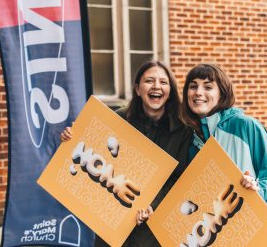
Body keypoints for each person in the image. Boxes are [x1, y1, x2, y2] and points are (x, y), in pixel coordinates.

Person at [60, 60, 192, 247]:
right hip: (112, 217)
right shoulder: (118, 119)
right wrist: (71, 138)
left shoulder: (182, 130)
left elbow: (177, 179)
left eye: (163, 82)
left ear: (170, 91)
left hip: (152, 221)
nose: (156, 86)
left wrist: (150, 205)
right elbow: (90, 152)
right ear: (138, 89)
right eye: (149, 81)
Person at [182, 64, 267, 246]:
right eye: (193, 86)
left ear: (222, 93)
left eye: (207, 86)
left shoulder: (246, 127)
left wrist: (257, 188)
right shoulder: (191, 141)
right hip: (233, 238)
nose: (198, 92)